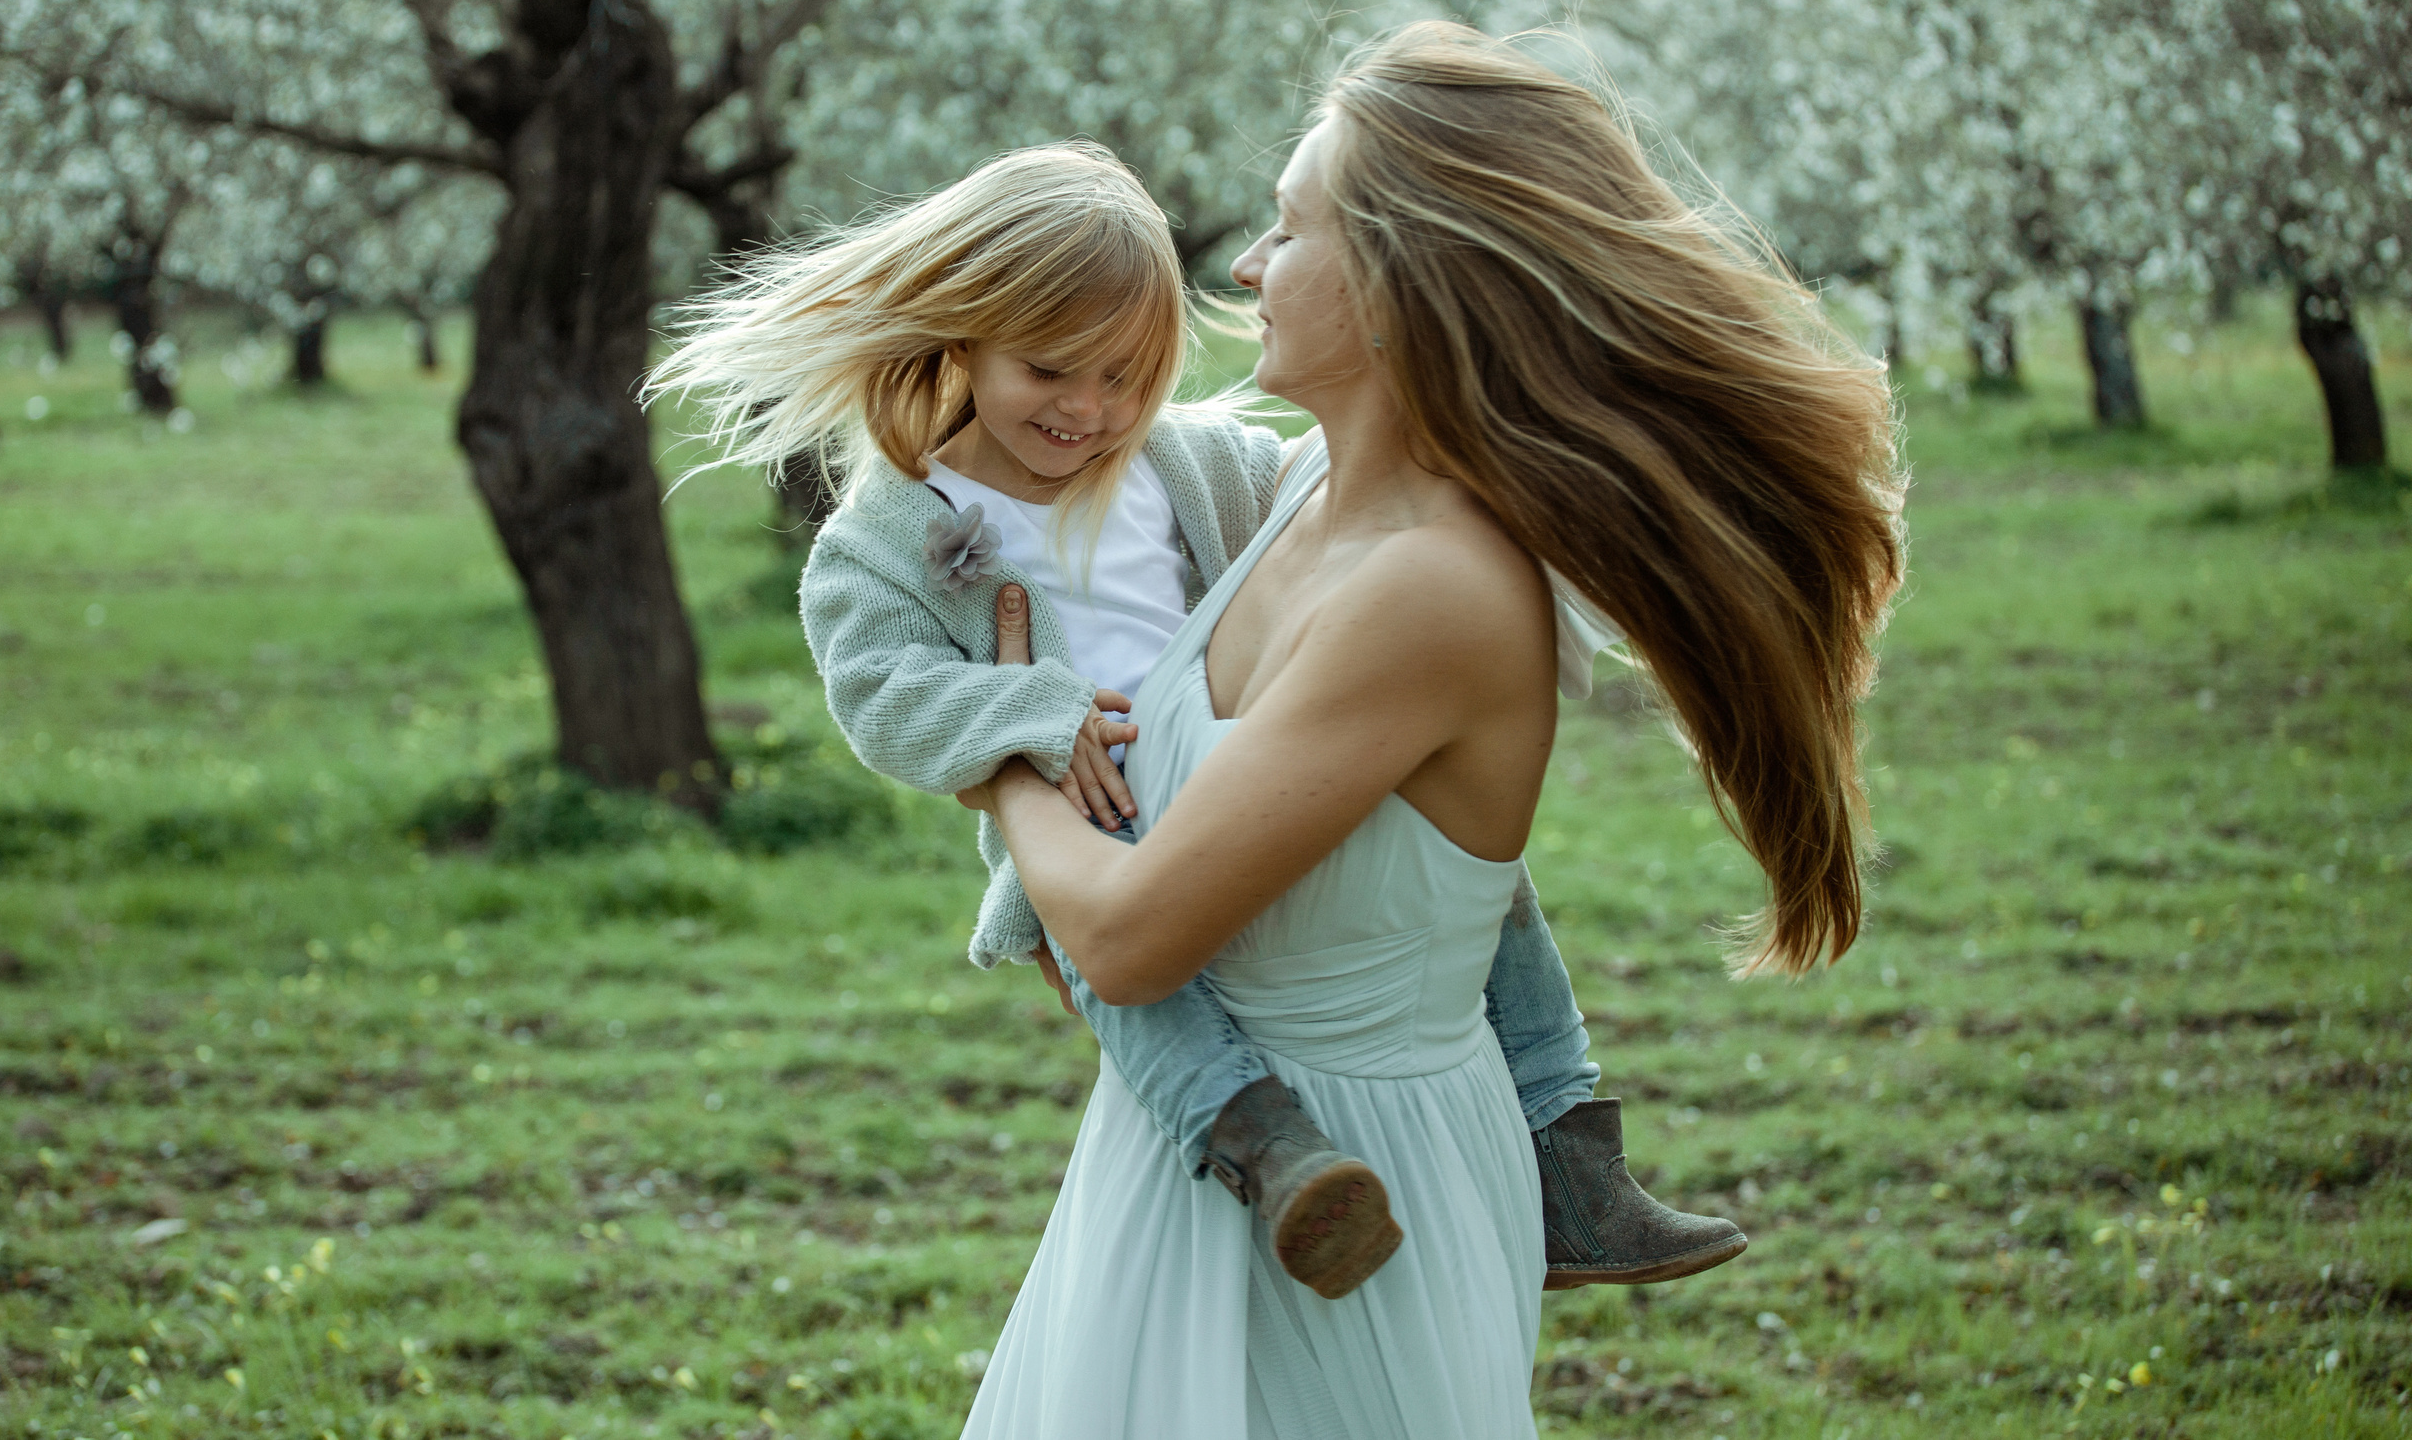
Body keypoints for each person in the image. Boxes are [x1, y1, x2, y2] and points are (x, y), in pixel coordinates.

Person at [954, 26, 1906, 1439]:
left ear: (1402, 281)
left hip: (1360, 1193)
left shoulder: (1437, 589)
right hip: (1204, 1160)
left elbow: (1131, 936)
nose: (1246, 267)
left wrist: (1004, 745)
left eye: (1288, 227)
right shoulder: (1292, 487)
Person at [646, 139, 1740, 1305]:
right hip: (1094, 824)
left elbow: (1326, 499)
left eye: (1126, 376)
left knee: (1473, 880)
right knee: (1131, 991)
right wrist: (1022, 713)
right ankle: (1270, 1155)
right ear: (961, 336)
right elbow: (878, 692)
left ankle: (1571, 1153)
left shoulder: (1187, 462)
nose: (1088, 411)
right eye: (1050, 372)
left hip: (1249, 764)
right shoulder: (891, 536)